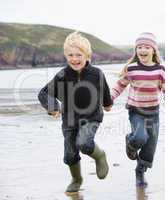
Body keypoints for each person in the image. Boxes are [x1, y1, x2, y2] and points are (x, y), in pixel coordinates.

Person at [38, 31, 113, 193]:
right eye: (70, 55)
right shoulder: (62, 75)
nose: (74, 59)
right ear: (66, 56)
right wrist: (53, 107)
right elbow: (43, 93)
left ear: (87, 55)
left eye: (79, 55)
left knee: (84, 143)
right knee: (70, 154)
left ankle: (100, 156)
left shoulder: (96, 74)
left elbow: (104, 90)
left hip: (91, 117)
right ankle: (76, 179)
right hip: (69, 120)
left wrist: (107, 104)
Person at [111, 32, 165, 187]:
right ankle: (131, 143)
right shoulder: (132, 69)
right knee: (140, 137)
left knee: (150, 146)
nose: (143, 50)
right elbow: (120, 85)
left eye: (147, 47)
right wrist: (110, 98)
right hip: (136, 111)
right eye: (139, 47)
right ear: (136, 50)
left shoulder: (160, 70)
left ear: (153, 50)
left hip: (153, 113)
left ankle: (140, 171)